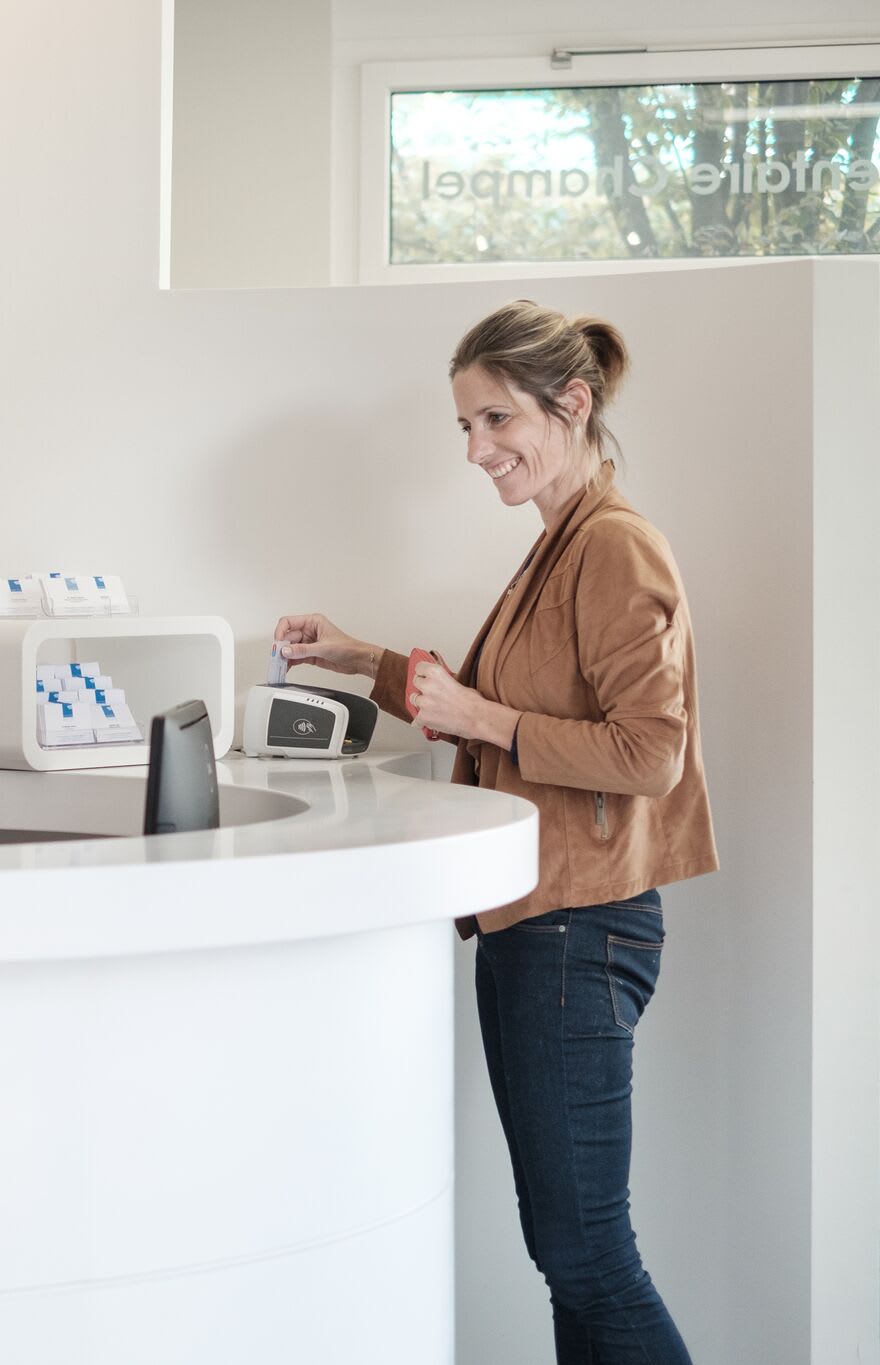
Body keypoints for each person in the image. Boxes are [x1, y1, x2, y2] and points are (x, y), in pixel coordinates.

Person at [275, 300, 717, 1363]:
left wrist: (482, 720)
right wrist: (362, 660)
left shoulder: (611, 549)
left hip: (574, 929)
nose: (475, 451)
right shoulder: (559, 546)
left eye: (492, 422)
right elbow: (496, 703)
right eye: (463, 429)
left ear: (568, 406)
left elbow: (645, 752)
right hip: (541, 927)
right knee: (566, 1256)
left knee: (584, 1254)